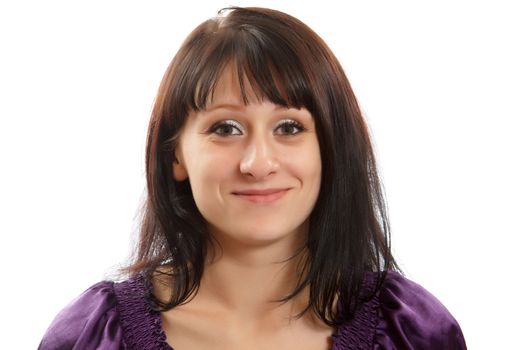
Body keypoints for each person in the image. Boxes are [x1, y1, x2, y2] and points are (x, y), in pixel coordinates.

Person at [39, 6, 467, 350]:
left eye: (289, 128)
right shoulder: (93, 336)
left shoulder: (411, 330)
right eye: (226, 129)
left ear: (331, 148)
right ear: (176, 156)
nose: (258, 163)